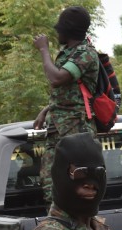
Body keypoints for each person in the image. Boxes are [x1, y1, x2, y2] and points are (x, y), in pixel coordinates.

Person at [33, 5, 99, 203]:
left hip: (76, 129)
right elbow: (70, 93)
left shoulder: (85, 54)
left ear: (67, 31)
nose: (56, 32)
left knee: (78, 184)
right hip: (58, 128)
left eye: (59, 29)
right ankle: (57, 225)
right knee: (50, 182)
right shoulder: (70, 52)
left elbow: (58, 78)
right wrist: (47, 109)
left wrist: (44, 49)